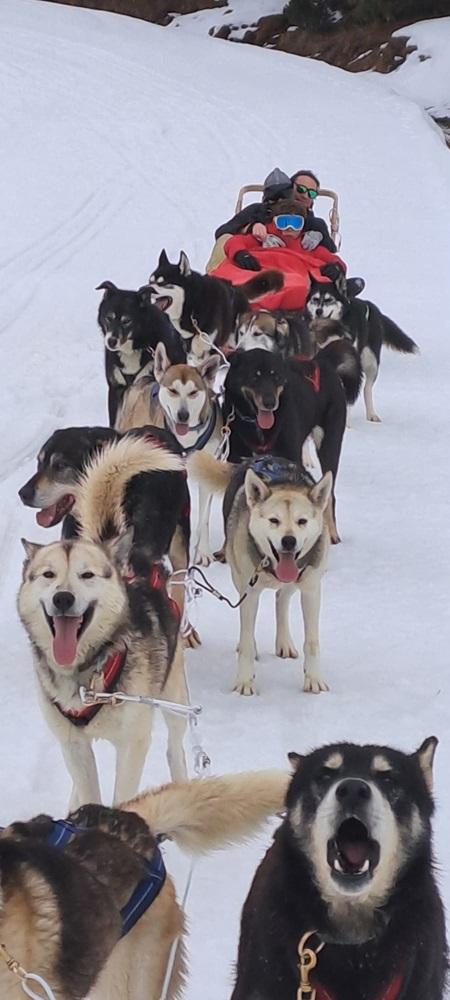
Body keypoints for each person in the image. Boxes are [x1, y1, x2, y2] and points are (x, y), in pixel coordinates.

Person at [209, 199, 346, 312]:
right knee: (229, 279)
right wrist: (240, 253)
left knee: (300, 286)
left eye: (296, 223)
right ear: (274, 222)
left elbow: (331, 258)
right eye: (284, 223)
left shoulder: (307, 245)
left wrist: (336, 267)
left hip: (290, 275)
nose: (289, 228)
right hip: (256, 270)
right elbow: (235, 241)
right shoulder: (262, 237)